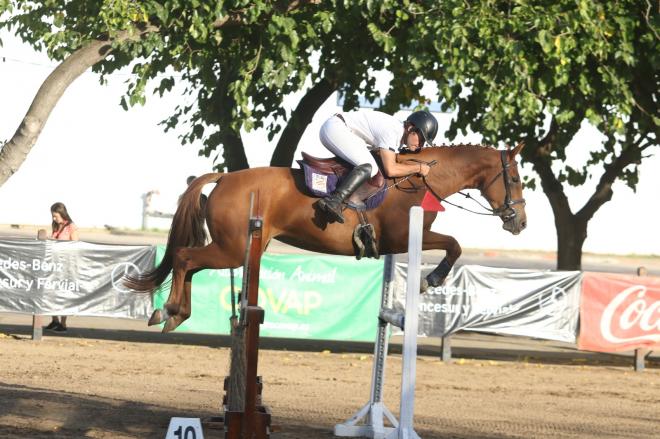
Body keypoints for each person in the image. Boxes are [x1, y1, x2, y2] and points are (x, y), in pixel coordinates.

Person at [316, 110, 438, 223]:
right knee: (370, 167)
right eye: (421, 138)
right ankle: (334, 201)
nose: (421, 145)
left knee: (370, 165)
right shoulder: (393, 130)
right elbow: (390, 170)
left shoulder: (397, 133)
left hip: (342, 129)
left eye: (424, 142)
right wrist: (419, 168)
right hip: (336, 128)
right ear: (411, 128)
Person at [44, 202, 79, 333]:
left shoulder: (71, 227)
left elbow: (76, 246)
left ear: (62, 214)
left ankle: (63, 323)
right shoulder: (56, 226)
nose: (54, 218)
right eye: (52, 216)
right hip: (54, 264)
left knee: (64, 293)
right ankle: (55, 320)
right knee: (51, 292)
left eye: (55, 216)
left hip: (66, 266)